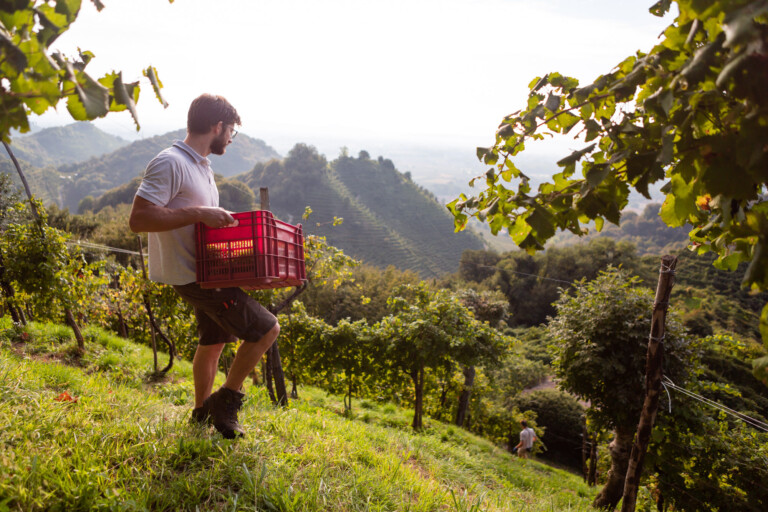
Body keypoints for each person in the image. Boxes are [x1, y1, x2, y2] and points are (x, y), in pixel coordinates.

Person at [129, 93, 280, 439]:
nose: (231, 138)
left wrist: (244, 270)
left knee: (214, 341)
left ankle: (200, 413)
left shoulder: (202, 167)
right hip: (191, 274)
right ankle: (225, 403)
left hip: (208, 271)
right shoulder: (170, 162)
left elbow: (203, 230)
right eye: (231, 131)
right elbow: (139, 219)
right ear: (217, 126)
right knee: (267, 329)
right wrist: (200, 212)